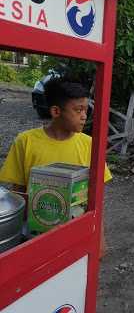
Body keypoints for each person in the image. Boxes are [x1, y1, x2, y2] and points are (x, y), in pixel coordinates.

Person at [0, 77, 112, 254]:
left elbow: (96, 200)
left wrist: (99, 239)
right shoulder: (26, 141)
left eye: (86, 109)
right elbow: (18, 193)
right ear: (56, 111)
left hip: (76, 235)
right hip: (36, 236)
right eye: (78, 110)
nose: (84, 116)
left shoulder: (90, 145)